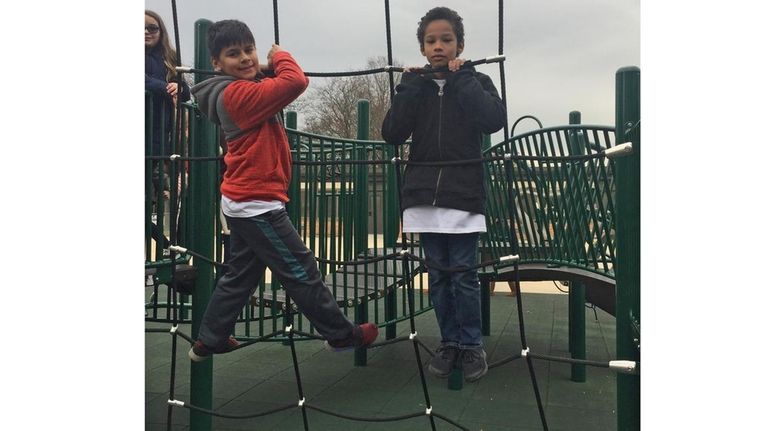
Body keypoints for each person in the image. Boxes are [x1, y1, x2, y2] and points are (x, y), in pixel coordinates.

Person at [188, 19, 378, 361]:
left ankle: (210, 339)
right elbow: (294, 81)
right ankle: (339, 334)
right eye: (234, 54)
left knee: (241, 275)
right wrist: (280, 56)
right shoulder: (238, 95)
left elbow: (272, 82)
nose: (246, 58)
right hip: (256, 203)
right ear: (216, 63)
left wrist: (261, 66)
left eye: (249, 50)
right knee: (301, 268)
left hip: (245, 199)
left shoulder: (232, 89)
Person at [381, 7, 506, 382]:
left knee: (463, 275)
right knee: (437, 275)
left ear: (460, 45)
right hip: (423, 195)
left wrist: (463, 79)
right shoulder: (415, 87)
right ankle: (448, 341)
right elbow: (392, 133)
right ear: (422, 48)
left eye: (446, 40)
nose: (439, 47)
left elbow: (493, 120)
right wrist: (408, 88)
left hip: (462, 193)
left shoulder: (477, 80)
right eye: (431, 41)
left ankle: (471, 345)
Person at [145, 10, 190, 254]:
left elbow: (186, 93)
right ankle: (165, 246)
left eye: (152, 28)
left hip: (160, 139)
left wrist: (178, 87)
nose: (146, 32)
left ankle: (172, 246)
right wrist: (164, 87)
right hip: (146, 136)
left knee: (176, 197)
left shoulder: (168, 58)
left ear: (161, 32)